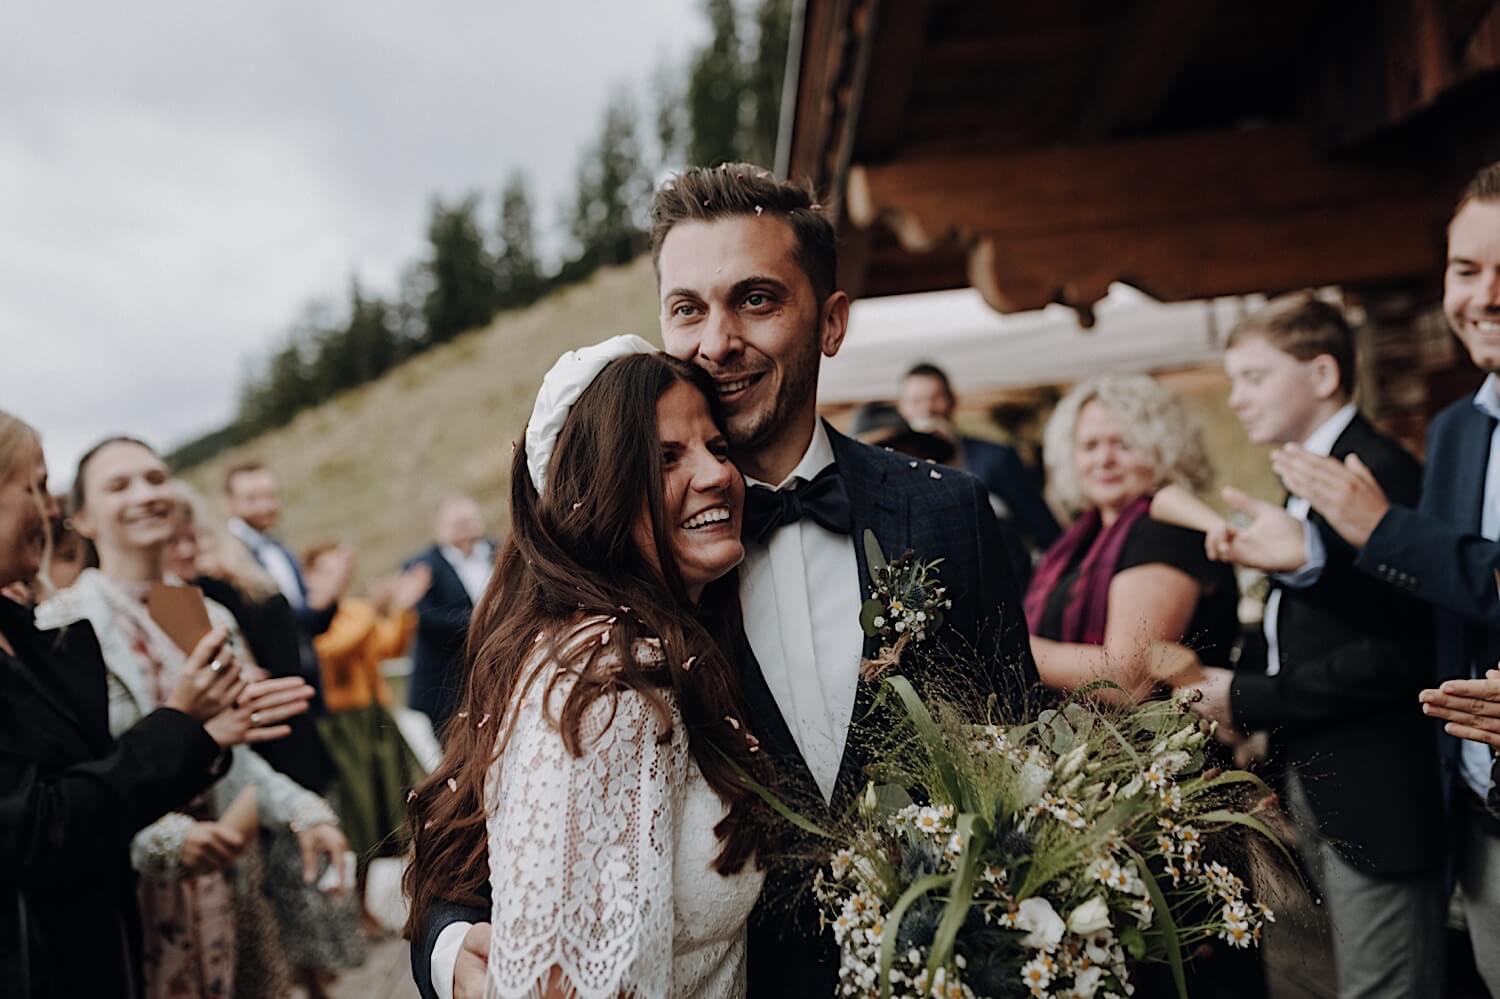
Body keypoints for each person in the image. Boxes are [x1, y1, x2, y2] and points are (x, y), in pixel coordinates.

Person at [412, 163, 1038, 999]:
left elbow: (1020, 750)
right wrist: (452, 951)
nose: (715, 342)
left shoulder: (947, 513)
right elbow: (484, 828)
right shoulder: (628, 565)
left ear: (831, 321)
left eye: (756, 299)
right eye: (687, 309)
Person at [406, 344, 774, 998]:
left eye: (717, 448)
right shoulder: (608, 682)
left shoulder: (666, 640)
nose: (717, 473)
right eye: (665, 457)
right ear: (597, 491)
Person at [1248, 162, 1500, 990]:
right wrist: (1319, 560)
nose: (1484, 296)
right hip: (1473, 805)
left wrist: (1380, 531)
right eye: (1467, 270)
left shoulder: (1377, 466)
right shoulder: (1460, 427)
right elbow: (1434, 614)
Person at [0, 409, 316, 998]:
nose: (146, 495)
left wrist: (298, 808)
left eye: (155, 477)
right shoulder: (62, 628)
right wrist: (164, 839)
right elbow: (61, 787)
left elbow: (232, 746)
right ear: (83, 518)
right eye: (120, 485)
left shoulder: (197, 611)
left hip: (222, 882)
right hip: (129, 892)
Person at [1190, 294, 1444, 998]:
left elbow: (1404, 649)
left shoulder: (1372, 472)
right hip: (1322, 776)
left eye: (1255, 377)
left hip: (1378, 784)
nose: (1237, 398)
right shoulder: (1305, 473)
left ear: (1324, 372)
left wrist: (1249, 697)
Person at [1024, 374, 1239, 704]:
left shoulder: (1166, 532)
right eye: (1090, 446)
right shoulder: (1084, 537)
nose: (1104, 460)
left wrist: (1016, 648)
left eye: (1123, 445)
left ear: (1164, 451)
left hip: (1159, 750)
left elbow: (1127, 679)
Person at [167, 483, 336, 793]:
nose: (186, 551)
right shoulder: (193, 597)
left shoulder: (218, 599)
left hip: (274, 757)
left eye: (190, 539)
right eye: (172, 542)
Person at [306, 541, 429, 922]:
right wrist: (375, 610)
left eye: (339, 569)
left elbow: (387, 645)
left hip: (374, 715)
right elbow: (332, 652)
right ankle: (357, 909)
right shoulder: (313, 620)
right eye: (326, 571)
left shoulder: (355, 610)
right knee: (358, 809)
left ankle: (393, 900)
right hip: (342, 724)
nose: (338, 577)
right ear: (308, 577)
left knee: (390, 800)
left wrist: (402, 609)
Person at [224, 460, 353, 705]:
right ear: (230, 503)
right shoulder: (228, 561)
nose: (266, 506)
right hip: (271, 695)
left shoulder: (282, 552)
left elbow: (310, 626)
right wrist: (321, 599)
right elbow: (266, 629)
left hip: (309, 685)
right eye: (252, 499)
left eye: (270, 496)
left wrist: (332, 592)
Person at [898, 361, 1060, 551]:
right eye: (916, 401)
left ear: (952, 401)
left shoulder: (996, 459)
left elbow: (1042, 526)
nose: (927, 408)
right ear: (902, 408)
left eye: (936, 398)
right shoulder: (894, 467)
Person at [405, 496, 496, 737]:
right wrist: (490, 622)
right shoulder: (420, 566)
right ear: (438, 528)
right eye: (457, 523)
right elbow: (426, 618)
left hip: (500, 672)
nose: (465, 527)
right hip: (447, 682)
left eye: (469, 521)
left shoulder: (504, 552)